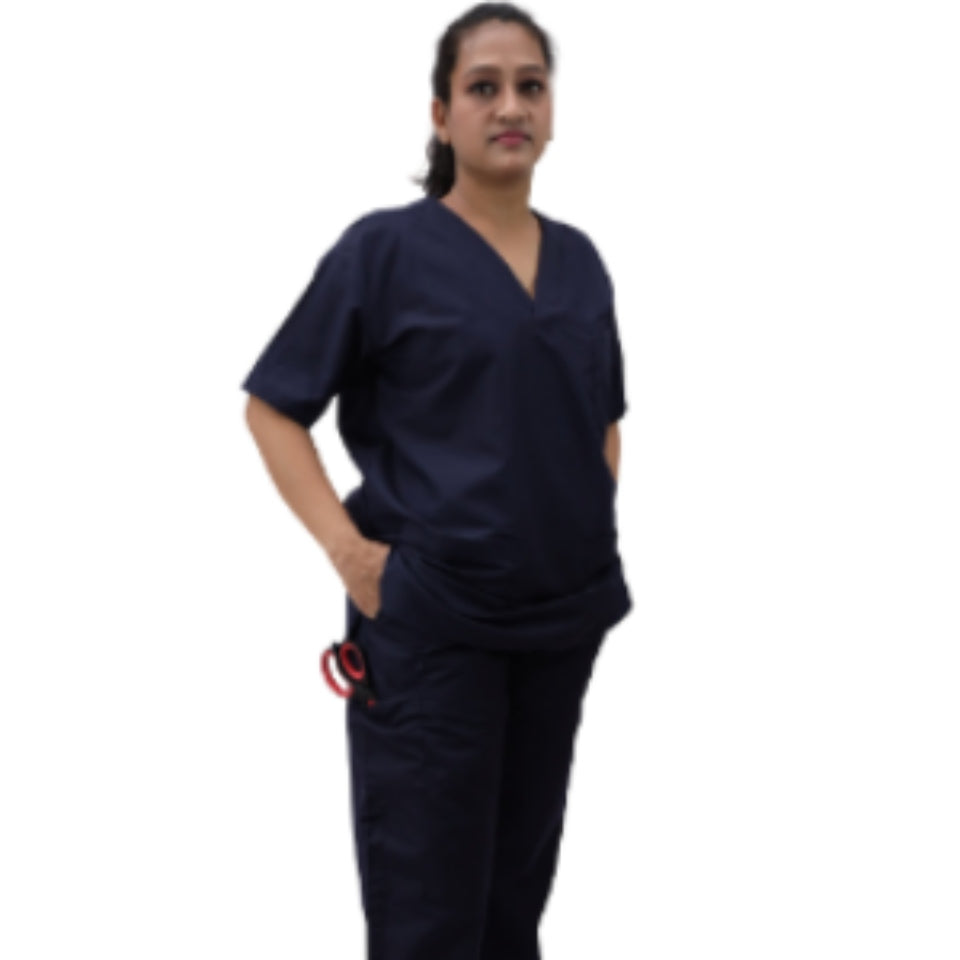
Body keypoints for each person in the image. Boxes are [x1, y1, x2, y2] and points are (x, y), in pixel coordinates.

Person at [241, 4, 632, 957]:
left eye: (531, 85)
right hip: (431, 632)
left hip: (558, 626)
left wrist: (575, 533)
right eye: (483, 86)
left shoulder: (581, 263)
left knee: (511, 906)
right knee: (429, 917)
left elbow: (602, 422)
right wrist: (353, 559)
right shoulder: (384, 253)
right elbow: (273, 408)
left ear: (552, 110)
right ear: (441, 114)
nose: (511, 106)